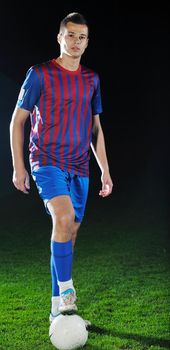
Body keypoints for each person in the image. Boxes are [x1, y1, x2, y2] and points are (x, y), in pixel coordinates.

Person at [9, 12, 113, 325]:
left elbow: (96, 129)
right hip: (46, 160)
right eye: (70, 35)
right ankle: (68, 294)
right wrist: (18, 167)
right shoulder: (39, 73)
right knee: (63, 218)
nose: (76, 42)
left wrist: (105, 171)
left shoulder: (91, 79)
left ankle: (58, 308)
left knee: (69, 233)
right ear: (59, 37)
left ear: (87, 41)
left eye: (81, 37)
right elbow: (18, 121)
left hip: (80, 165)